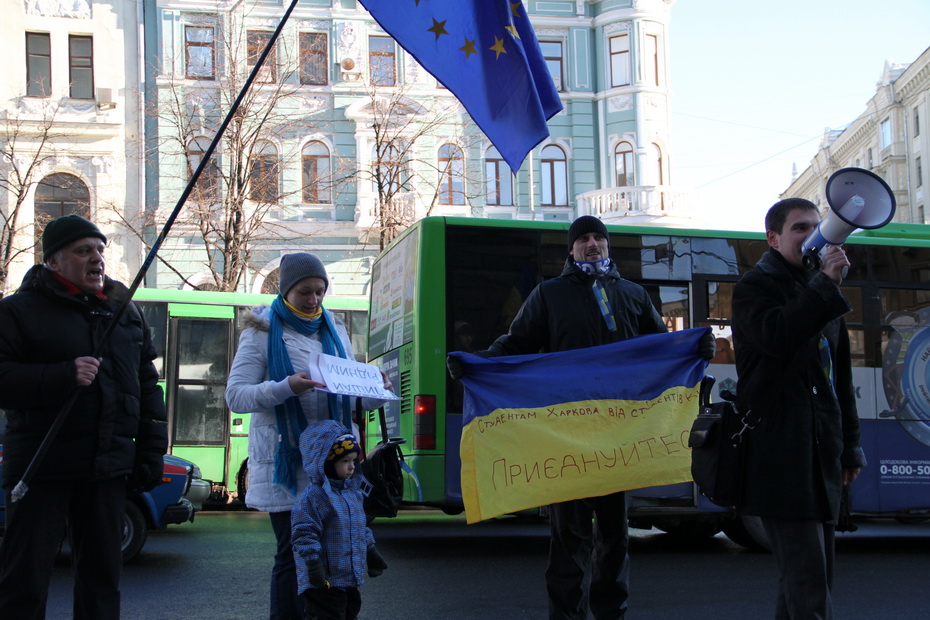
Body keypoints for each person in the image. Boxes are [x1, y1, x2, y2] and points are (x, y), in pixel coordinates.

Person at [448, 215, 715, 619]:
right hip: (567, 435)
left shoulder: (634, 294)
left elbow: (661, 346)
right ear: (570, 250)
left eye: (598, 238)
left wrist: (696, 347)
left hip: (620, 436)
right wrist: (477, 362)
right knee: (568, 538)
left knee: (614, 538)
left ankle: (611, 613)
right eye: (583, 239)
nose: (592, 244)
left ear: (607, 245)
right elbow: (517, 343)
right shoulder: (548, 294)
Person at [0, 214, 167, 619]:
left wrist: (150, 451)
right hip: (41, 467)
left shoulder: (124, 312)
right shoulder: (18, 311)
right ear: (53, 263)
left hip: (106, 468)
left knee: (102, 583)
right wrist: (62, 375)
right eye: (83, 251)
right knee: (24, 582)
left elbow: (146, 387)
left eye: (99, 250)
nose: (97, 258)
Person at [225, 252, 390, 620]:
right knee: (293, 554)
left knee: (331, 553)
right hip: (288, 464)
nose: (314, 300)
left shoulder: (335, 328)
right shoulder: (262, 329)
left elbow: (349, 395)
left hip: (334, 466)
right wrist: (286, 386)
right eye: (305, 292)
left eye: (319, 291)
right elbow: (236, 397)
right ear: (286, 291)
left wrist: (376, 389)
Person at [731, 198, 866, 619]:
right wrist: (824, 285)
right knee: (809, 585)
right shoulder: (754, 287)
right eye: (800, 228)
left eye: (816, 226)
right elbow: (777, 337)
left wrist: (849, 448)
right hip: (781, 453)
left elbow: (838, 380)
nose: (813, 236)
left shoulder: (821, 292)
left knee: (810, 582)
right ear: (773, 239)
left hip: (820, 455)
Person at [291, 421, 387, 620]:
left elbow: (360, 527)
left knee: (350, 610)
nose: (352, 466)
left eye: (354, 460)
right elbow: (304, 532)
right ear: (325, 462)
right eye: (344, 461)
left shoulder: (353, 492)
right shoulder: (315, 497)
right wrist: (313, 564)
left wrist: (370, 551)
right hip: (323, 580)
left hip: (348, 578)